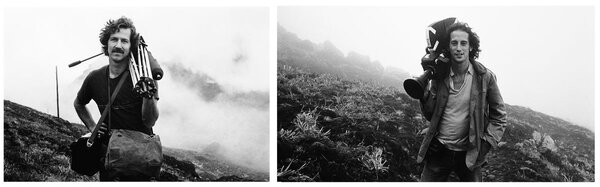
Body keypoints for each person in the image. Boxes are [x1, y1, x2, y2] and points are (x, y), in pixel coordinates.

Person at [417, 21, 507, 182]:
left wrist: (485, 145)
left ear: (471, 47)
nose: (459, 48)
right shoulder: (440, 75)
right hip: (439, 151)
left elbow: (499, 117)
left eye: (463, 43)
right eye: (454, 43)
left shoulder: (485, 77)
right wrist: (423, 95)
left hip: (469, 154)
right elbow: (431, 114)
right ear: (448, 47)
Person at [74, 16, 159, 181]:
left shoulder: (145, 77)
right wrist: (92, 126)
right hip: (109, 160)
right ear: (106, 44)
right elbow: (79, 103)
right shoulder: (94, 78)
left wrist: (148, 96)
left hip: (140, 160)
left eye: (124, 41)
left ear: (131, 46)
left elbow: (149, 122)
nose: (118, 45)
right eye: (114, 39)